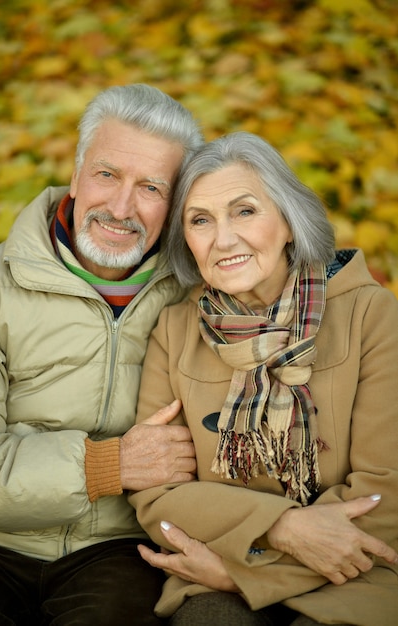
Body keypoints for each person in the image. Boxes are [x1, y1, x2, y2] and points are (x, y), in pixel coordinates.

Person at [129, 132, 398, 626]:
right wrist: (280, 528)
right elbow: (157, 498)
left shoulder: (371, 314)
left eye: (245, 211)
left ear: (290, 224)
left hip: (354, 573)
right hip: (208, 574)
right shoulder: (174, 329)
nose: (224, 239)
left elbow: (385, 493)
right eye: (201, 220)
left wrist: (249, 574)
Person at [0, 84, 205, 625]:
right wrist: (108, 465)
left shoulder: (200, 296)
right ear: (78, 172)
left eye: (151, 187)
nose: (121, 207)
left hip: (120, 549)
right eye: (107, 174)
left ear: (175, 204)